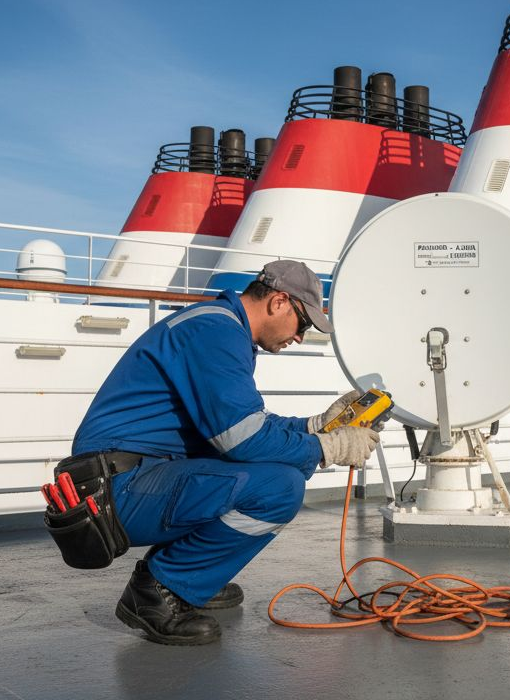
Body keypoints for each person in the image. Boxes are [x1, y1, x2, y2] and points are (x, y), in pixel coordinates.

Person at [69, 259, 380, 646]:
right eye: (303, 323)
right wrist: (326, 448)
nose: (300, 336)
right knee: (278, 486)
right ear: (279, 301)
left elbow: (248, 425)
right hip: (114, 491)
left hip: (130, 477)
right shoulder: (215, 332)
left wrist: (316, 426)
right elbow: (245, 441)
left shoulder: (220, 326)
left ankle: (195, 574)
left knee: (270, 468)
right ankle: (157, 592)